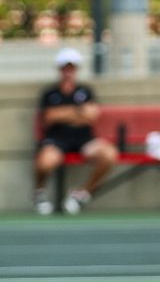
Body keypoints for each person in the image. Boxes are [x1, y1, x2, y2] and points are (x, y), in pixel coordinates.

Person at [33, 47, 118, 215]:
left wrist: (63, 113)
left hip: (83, 140)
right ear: (59, 69)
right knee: (45, 162)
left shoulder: (85, 91)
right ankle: (40, 192)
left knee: (109, 155)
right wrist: (78, 112)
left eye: (72, 68)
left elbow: (92, 115)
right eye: (65, 68)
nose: (68, 72)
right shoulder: (50, 93)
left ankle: (81, 193)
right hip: (57, 139)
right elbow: (49, 117)